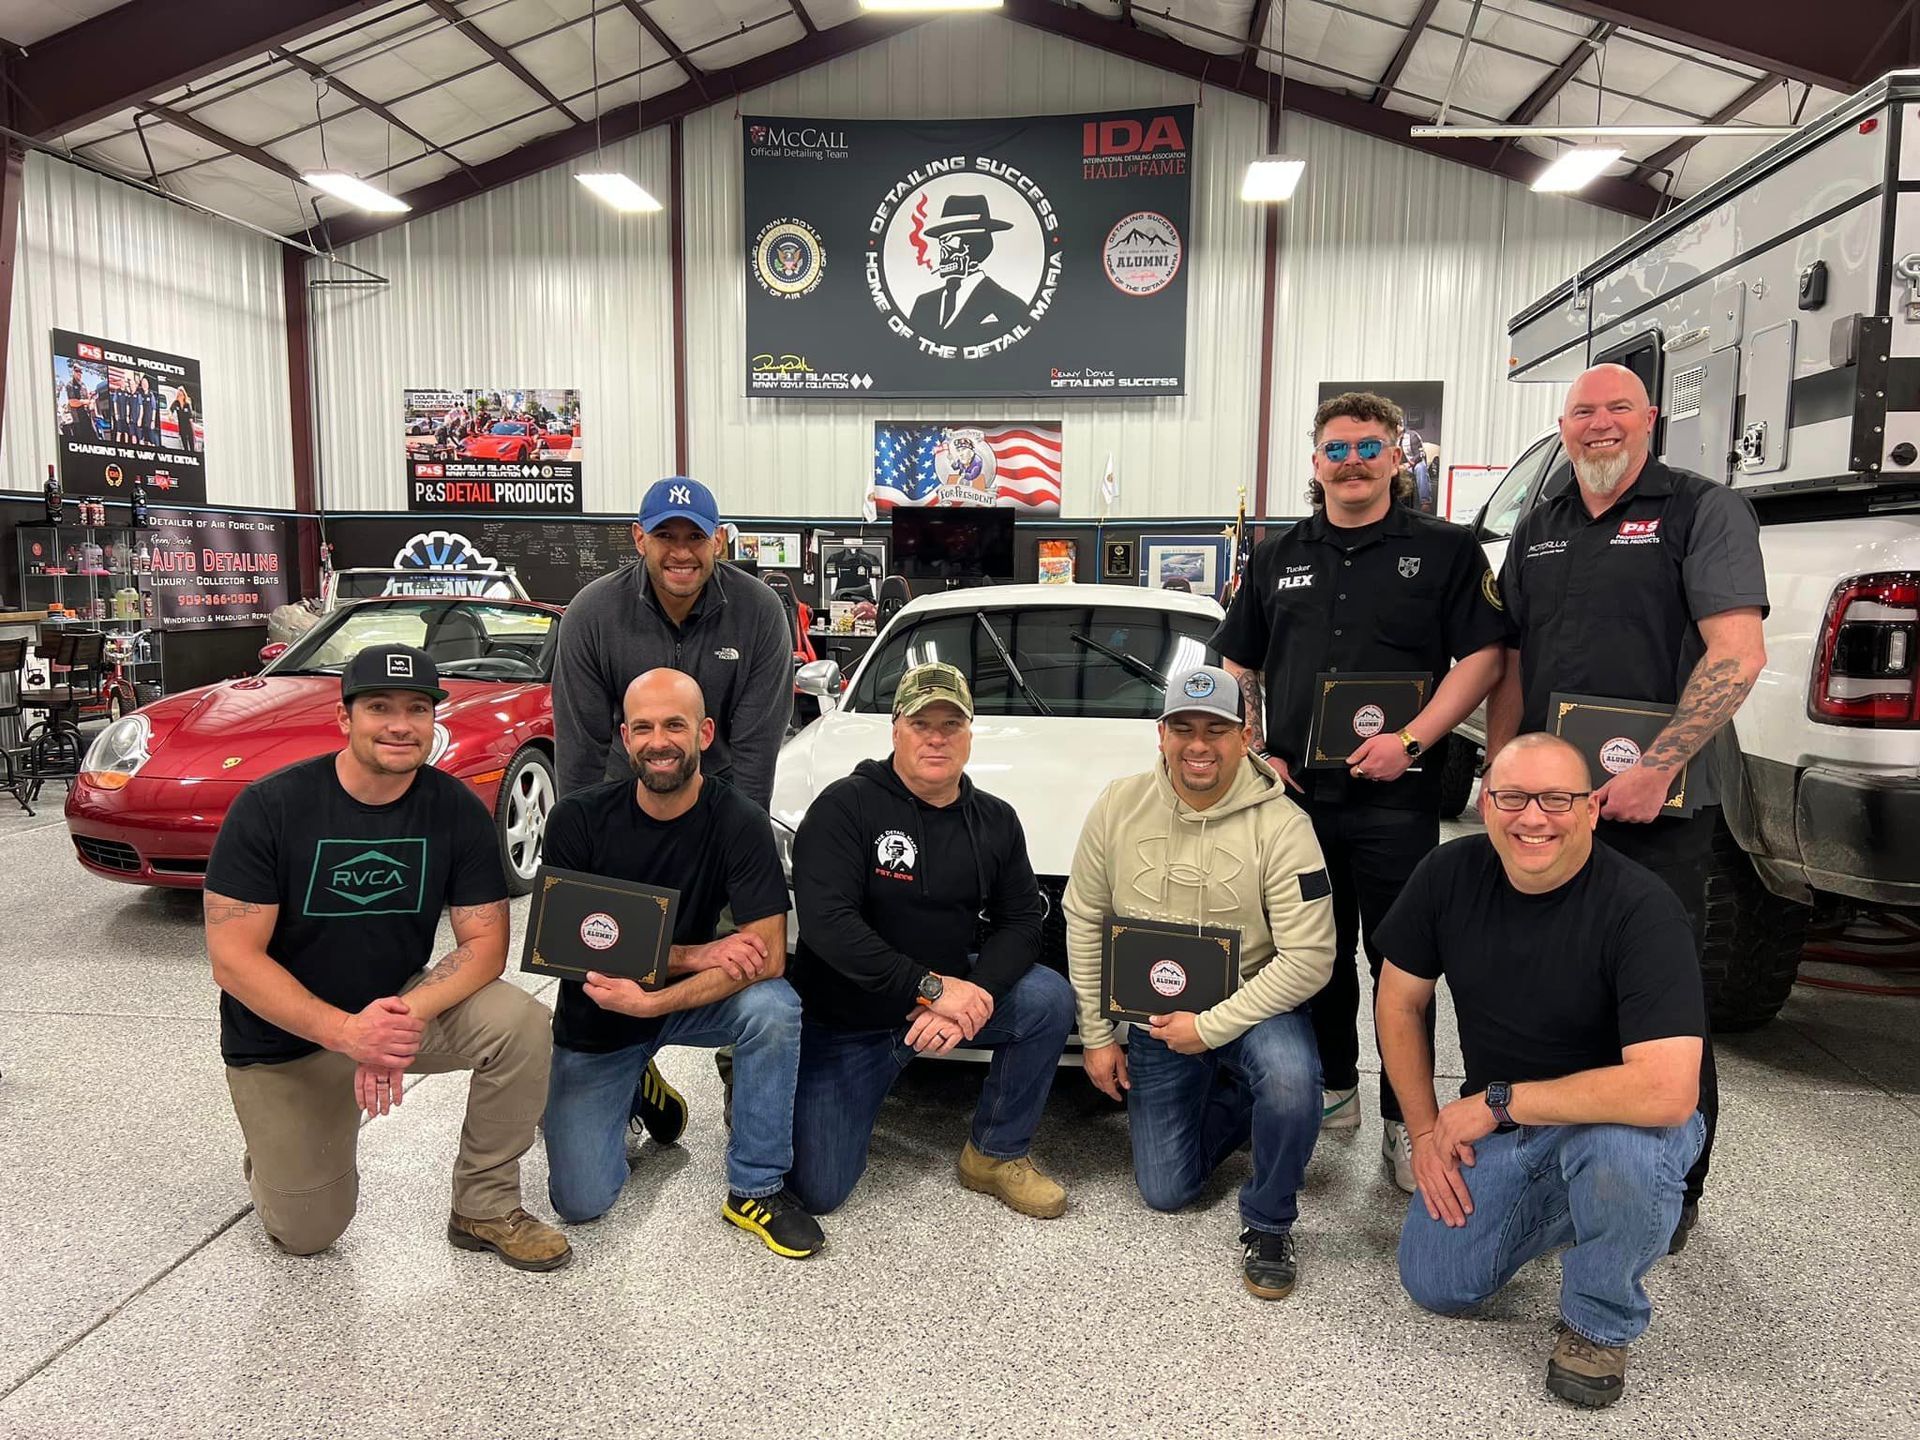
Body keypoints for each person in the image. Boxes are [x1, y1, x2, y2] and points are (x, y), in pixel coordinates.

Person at [1486, 361, 1767, 1248]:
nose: (1599, 424)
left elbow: (1739, 651)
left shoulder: (1702, 510)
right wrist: (1500, 775)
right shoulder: (1538, 525)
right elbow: (1515, 664)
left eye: (1616, 409)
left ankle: (1674, 1189)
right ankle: (1559, 1155)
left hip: (1663, 812)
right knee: (1554, 982)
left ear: (1649, 419)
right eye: (1582, 412)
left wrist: (1656, 766)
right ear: (1563, 426)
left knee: (1661, 997)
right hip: (1550, 813)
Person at [1212, 390, 1506, 1193]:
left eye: (1368, 447)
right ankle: (1335, 1084)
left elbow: (1484, 659)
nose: (1352, 462)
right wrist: (1252, 748)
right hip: (1298, 800)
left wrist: (1411, 739)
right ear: (1315, 464)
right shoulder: (1277, 556)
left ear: (1396, 458)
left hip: (1397, 796)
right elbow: (1237, 663)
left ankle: (1403, 1121)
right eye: (1336, 449)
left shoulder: (1446, 552)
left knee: (1400, 959)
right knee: (1316, 951)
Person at [202, 645, 569, 1271]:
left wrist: (395, 1022)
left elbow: (485, 947)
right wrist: (348, 1034)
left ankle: (482, 1204)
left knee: (521, 1025)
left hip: (395, 1003)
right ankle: (277, 1153)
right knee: (309, 1232)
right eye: (379, 707)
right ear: (344, 718)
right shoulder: (271, 807)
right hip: (285, 1038)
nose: (400, 724)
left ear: (433, 721)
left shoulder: (453, 808)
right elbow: (234, 960)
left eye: (417, 709)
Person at [1374, 734, 1705, 1408]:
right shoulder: (1448, 875)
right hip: (1512, 1126)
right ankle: (1602, 1214)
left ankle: (1597, 1320)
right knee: (1437, 1281)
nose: (1533, 818)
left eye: (1557, 799)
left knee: (1620, 1162)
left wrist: (1497, 1103)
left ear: (1590, 810)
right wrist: (1424, 1133)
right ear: (1485, 803)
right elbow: (1399, 1001)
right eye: (1513, 798)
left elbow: (1667, 1091)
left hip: (1623, 1123)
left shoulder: (1642, 909)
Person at [1062, 665, 1336, 1299]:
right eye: (1182, 728)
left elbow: (1311, 956)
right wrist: (1099, 1036)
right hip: (1156, 1016)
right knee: (1166, 1191)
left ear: (1245, 737)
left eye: (1217, 729)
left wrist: (1211, 1027)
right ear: (1161, 735)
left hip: (1252, 1005)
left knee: (1293, 1083)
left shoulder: (1284, 825)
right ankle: (1241, 1104)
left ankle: (1269, 1222)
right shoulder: (1118, 804)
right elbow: (1085, 917)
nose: (1198, 745)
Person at [539, 669, 822, 1257]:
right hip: (598, 1011)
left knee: (775, 1007)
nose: (658, 740)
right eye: (643, 727)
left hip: (671, 1001)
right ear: (623, 737)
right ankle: (638, 1085)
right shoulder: (578, 819)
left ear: (705, 733)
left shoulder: (739, 820)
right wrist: (697, 952)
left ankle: (756, 1187)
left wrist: (654, 1002)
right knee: (581, 1202)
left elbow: (768, 955)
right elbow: (568, 945)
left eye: (675, 724)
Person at [785, 661, 1073, 1218]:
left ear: (969, 734)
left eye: (951, 724)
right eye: (921, 724)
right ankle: (746, 1074)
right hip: (850, 1018)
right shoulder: (845, 807)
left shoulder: (995, 820)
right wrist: (932, 990)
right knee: (817, 1190)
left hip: (941, 995)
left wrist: (973, 994)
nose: (936, 738)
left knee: (1047, 998)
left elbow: (1021, 922)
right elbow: (828, 925)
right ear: (896, 730)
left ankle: (994, 1152)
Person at [552, 476, 791, 808]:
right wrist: (577, 838)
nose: (681, 553)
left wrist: (745, 836)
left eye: (695, 537)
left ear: (718, 540)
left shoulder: (759, 613)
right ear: (639, 538)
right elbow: (581, 746)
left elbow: (757, 748)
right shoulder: (592, 614)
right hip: (624, 799)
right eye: (665, 536)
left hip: (720, 801)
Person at [905, 194, 1028, 334]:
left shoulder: (1010, 306)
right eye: (942, 245)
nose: (943, 255)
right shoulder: (923, 304)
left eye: (951, 244)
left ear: (976, 246)